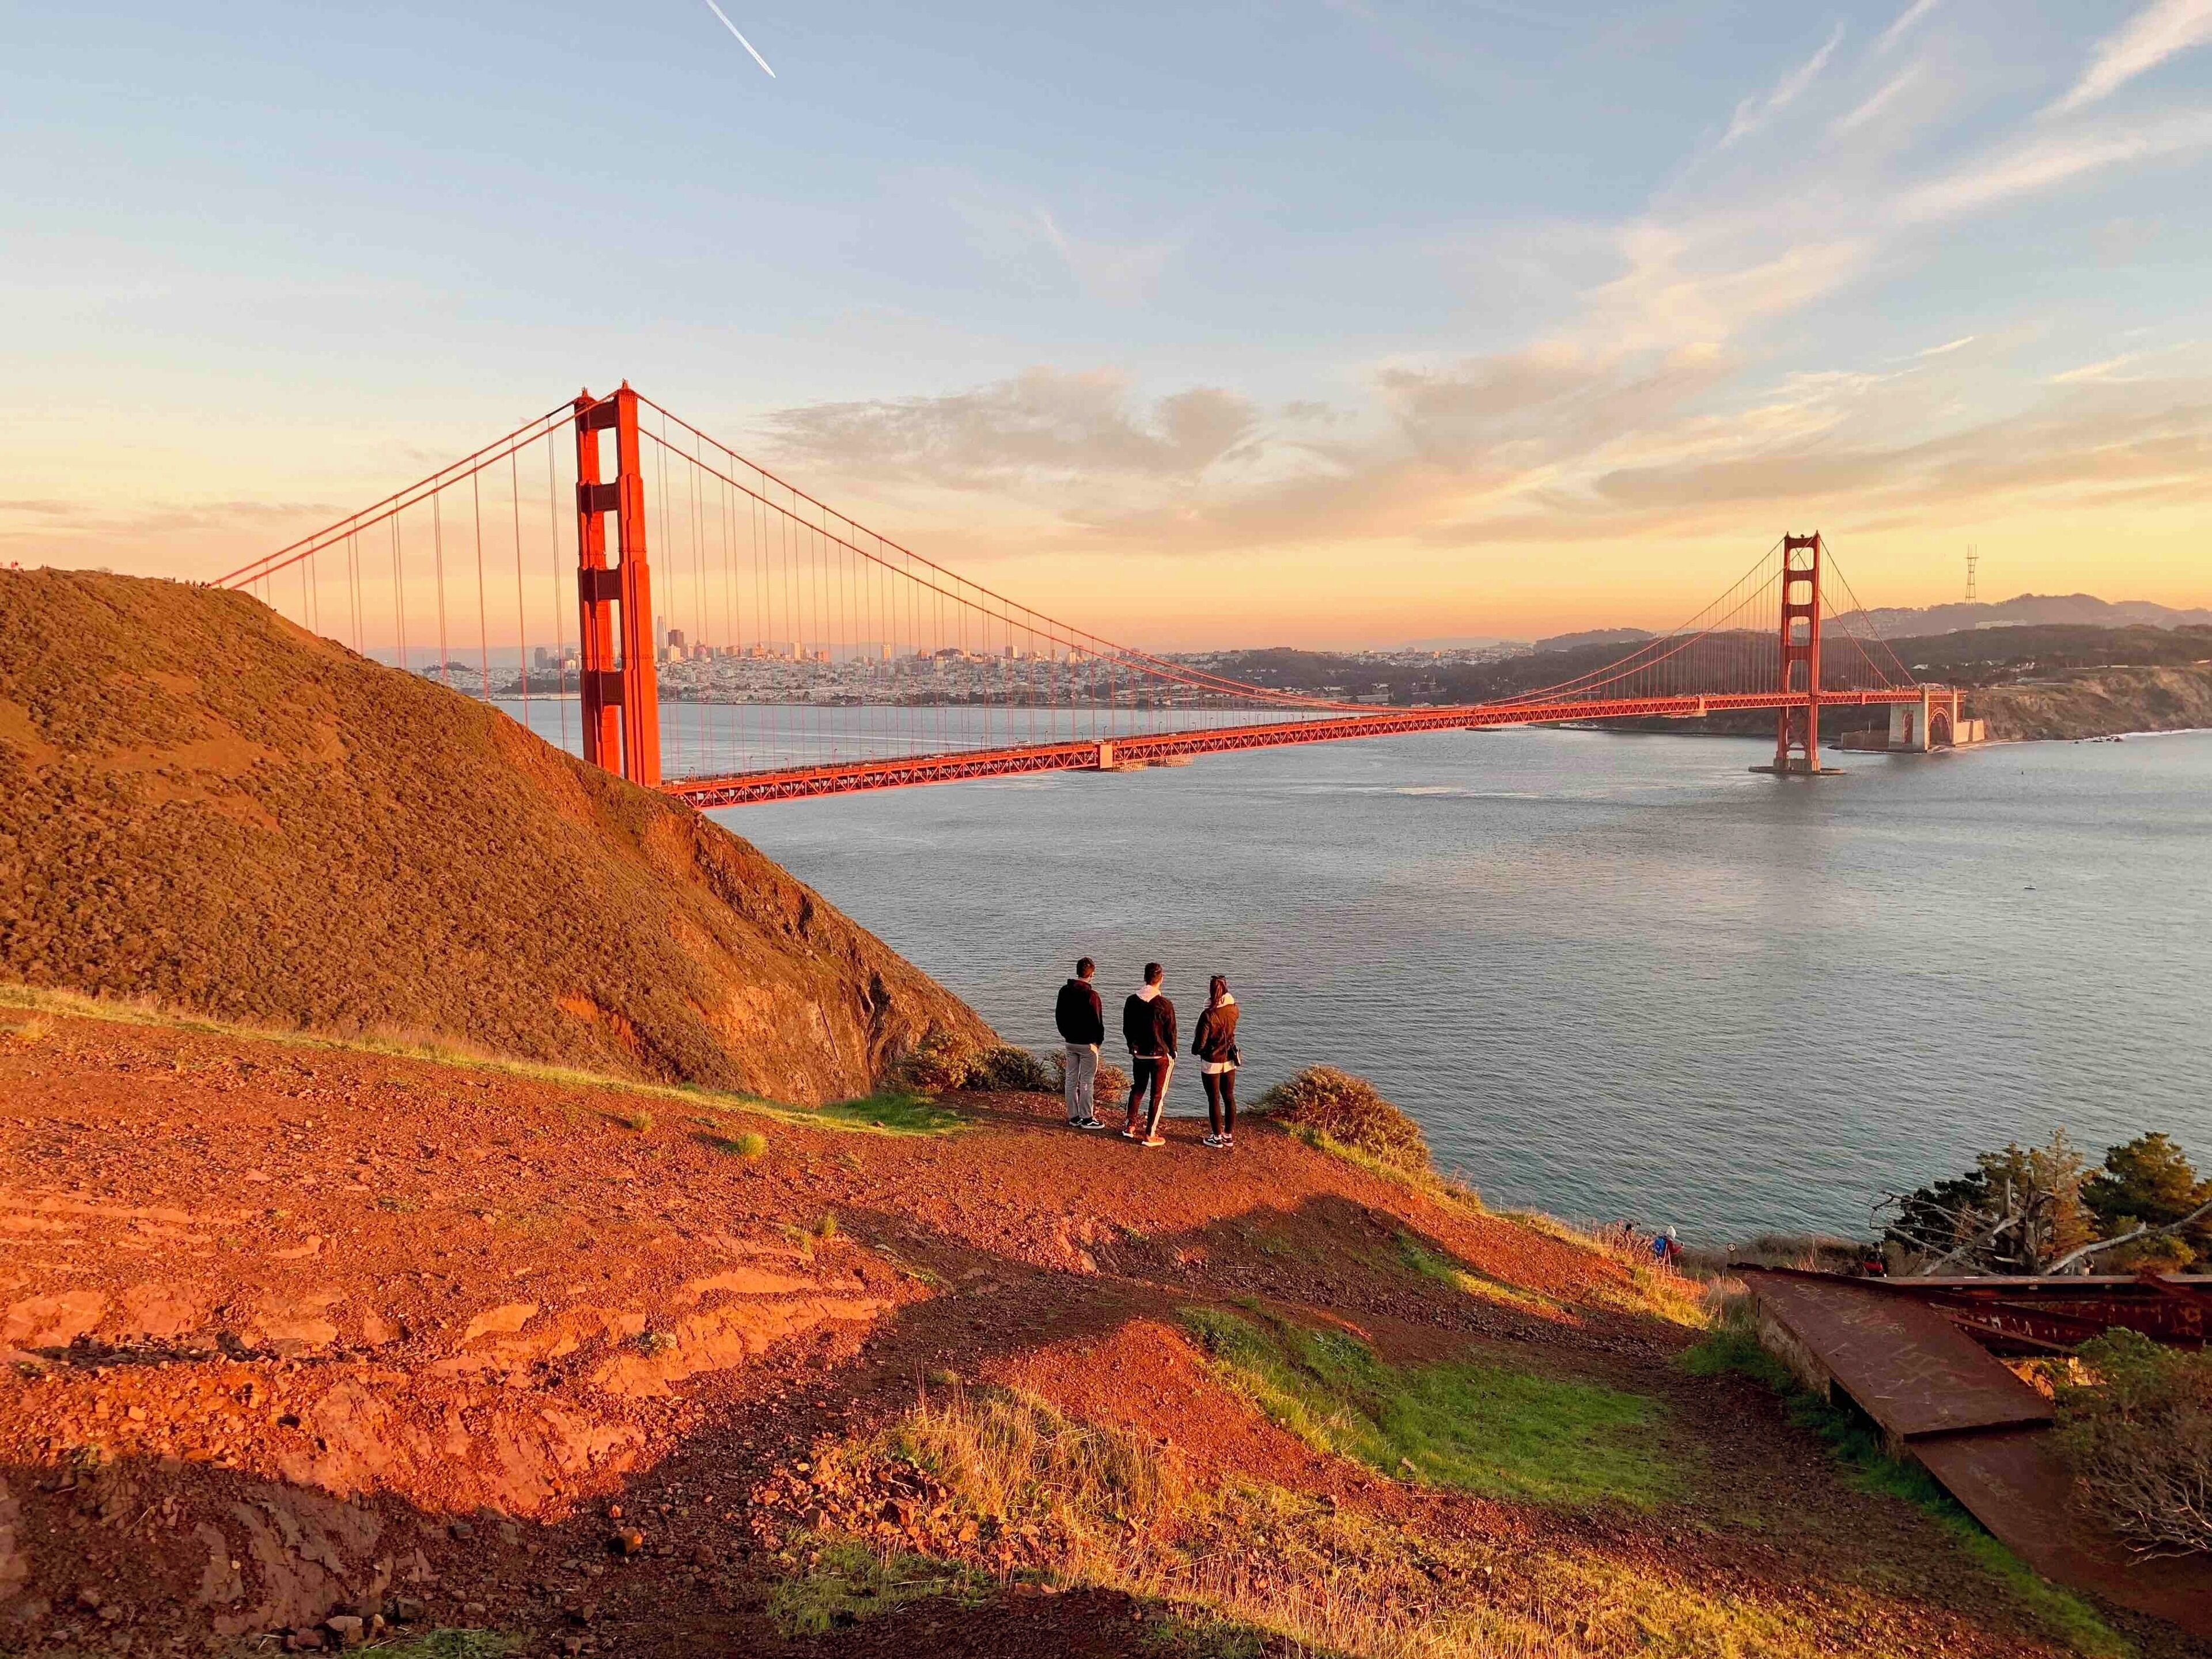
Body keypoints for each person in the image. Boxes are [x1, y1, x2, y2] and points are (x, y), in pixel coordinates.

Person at [1121, 962, 1176, 1148]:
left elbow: (1126, 1028)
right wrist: (1173, 1052)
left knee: (1138, 1089)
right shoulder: (1165, 1004)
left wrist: (1132, 1046)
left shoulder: (1131, 1001)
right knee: (1157, 1095)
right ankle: (1150, 1134)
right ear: (1161, 979)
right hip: (1160, 1056)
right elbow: (1171, 1033)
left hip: (1140, 1054)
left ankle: (1130, 1125)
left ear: (1145, 977)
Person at [1054, 957, 1108, 1130]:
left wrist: (1066, 1035)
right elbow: (1098, 1022)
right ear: (1092, 974)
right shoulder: (1092, 996)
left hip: (1070, 1042)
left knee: (1071, 1078)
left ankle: (1074, 1116)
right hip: (1088, 1044)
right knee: (1086, 1080)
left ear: (1078, 972)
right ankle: (1087, 1118)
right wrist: (1098, 1042)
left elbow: (1059, 1016)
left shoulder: (1064, 991)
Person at [1191, 975, 1241, 1150]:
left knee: (1214, 1099)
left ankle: (1216, 1137)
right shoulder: (1234, 1009)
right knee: (1229, 1096)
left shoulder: (1207, 1015)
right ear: (1226, 989)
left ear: (1211, 991)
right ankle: (1228, 1135)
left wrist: (1197, 1051)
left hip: (1212, 1061)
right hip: (1229, 1059)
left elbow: (1200, 1044)